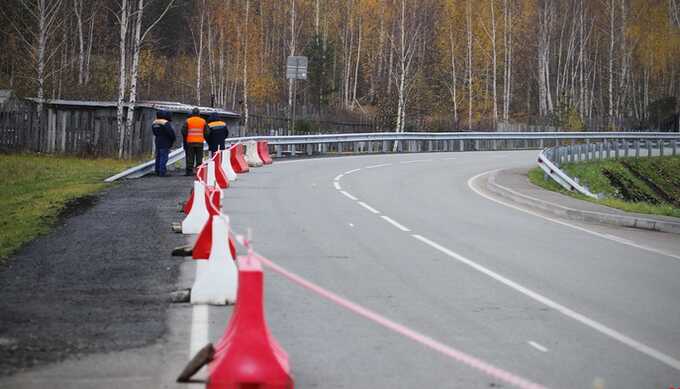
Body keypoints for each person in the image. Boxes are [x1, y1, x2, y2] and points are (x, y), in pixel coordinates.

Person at [181, 107, 209, 176]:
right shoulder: (203, 121)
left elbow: (183, 131)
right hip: (199, 142)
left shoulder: (188, 121)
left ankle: (189, 171)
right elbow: (207, 132)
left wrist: (187, 136)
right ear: (199, 113)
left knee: (190, 157)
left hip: (190, 142)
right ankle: (199, 172)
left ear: (192, 113)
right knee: (199, 158)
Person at [151, 110, 176, 177]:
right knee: (164, 157)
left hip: (158, 140)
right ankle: (162, 172)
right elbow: (171, 132)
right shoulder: (165, 123)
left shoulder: (154, 123)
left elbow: (154, 132)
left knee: (158, 157)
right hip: (165, 141)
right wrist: (173, 139)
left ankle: (157, 171)